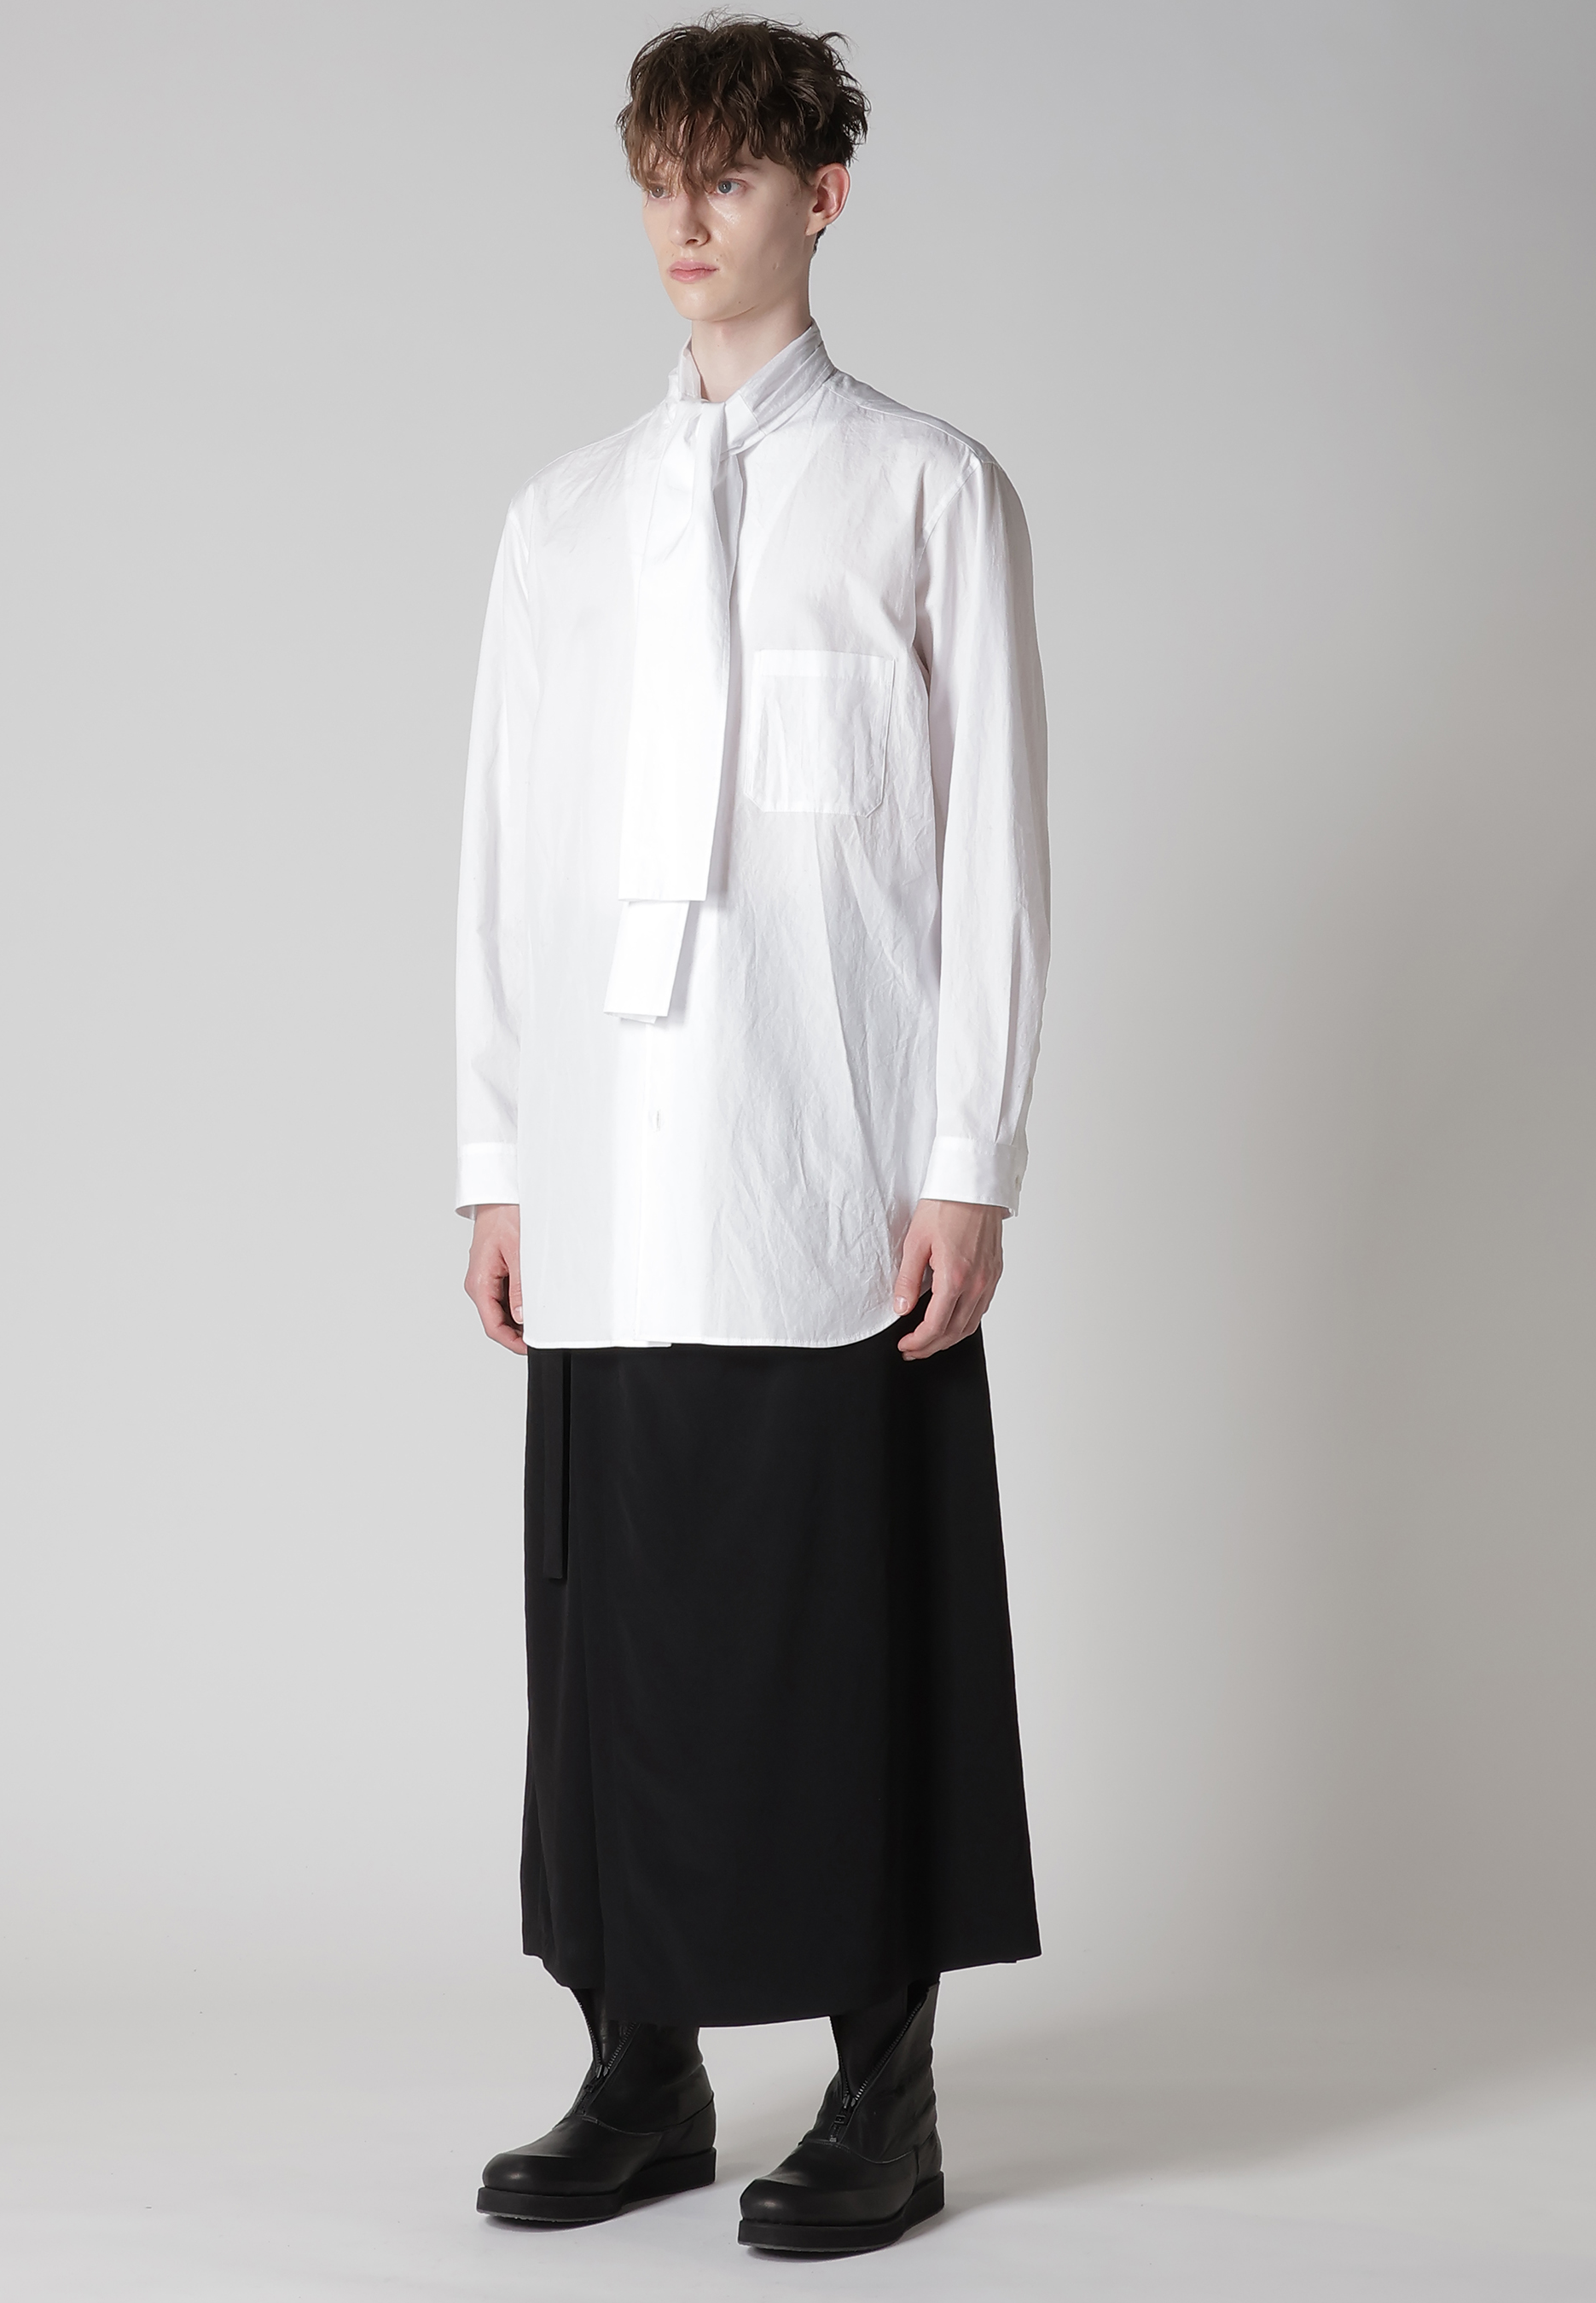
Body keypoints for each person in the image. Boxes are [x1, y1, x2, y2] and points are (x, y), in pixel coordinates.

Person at [456, 13, 1048, 2259]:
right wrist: (495, 1153)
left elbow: (993, 851)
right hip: (613, 1174)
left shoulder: (924, 490)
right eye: (658, 178)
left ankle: (883, 2092)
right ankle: (642, 2072)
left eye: (727, 174)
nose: (684, 219)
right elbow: (501, 855)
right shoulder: (560, 520)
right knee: (617, 1640)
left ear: (821, 193)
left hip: (830, 1158)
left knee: (849, 1630)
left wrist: (968, 1152)